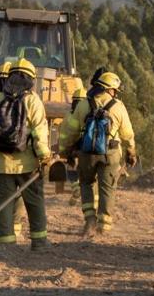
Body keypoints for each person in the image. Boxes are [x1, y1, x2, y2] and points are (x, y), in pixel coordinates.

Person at [0, 59, 52, 250]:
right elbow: (39, 133)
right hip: (27, 164)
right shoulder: (33, 101)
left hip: (0, 163)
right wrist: (44, 157)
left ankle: (6, 243)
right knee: (34, 201)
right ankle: (39, 242)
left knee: (4, 202)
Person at [59, 72, 136, 237]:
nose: (115, 93)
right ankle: (104, 226)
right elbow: (127, 133)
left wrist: (66, 149)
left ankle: (89, 220)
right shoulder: (118, 106)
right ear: (110, 89)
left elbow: (71, 130)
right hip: (111, 153)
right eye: (115, 90)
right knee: (107, 188)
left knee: (86, 184)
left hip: (87, 153)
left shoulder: (83, 105)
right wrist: (131, 151)